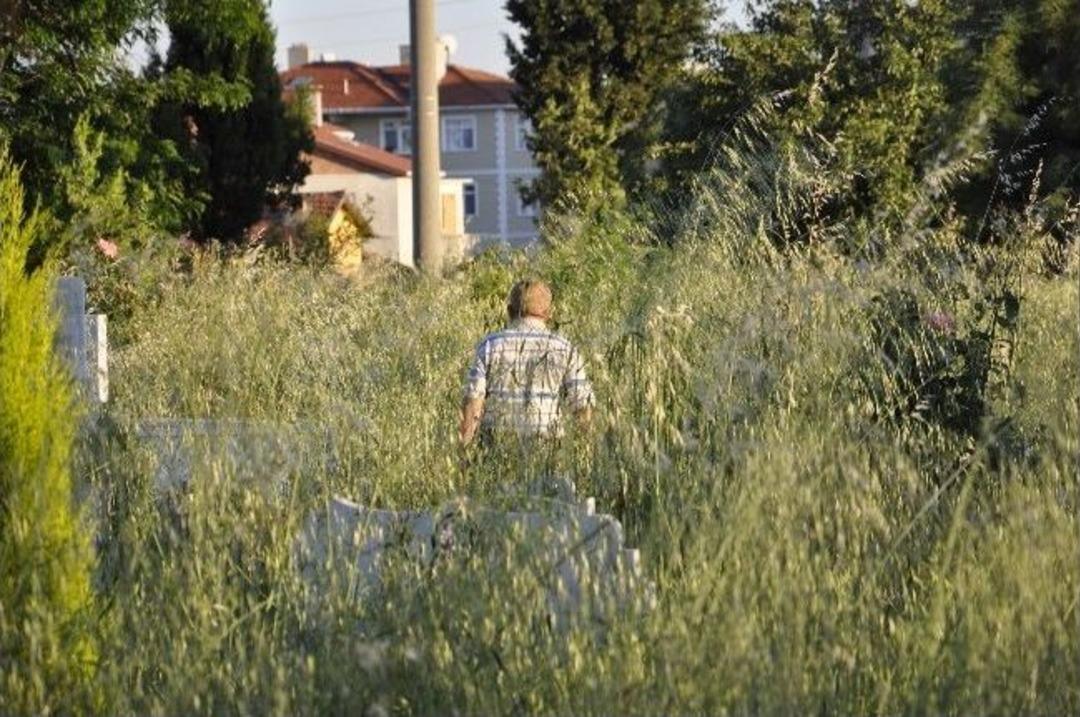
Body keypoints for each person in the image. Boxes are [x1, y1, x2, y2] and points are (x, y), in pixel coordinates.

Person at [459, 279, 594, 457]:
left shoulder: (489, 345)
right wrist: (588, 453)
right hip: (546, 449)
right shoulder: (564, 348)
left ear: (509, 311)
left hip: (496, 449)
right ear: (548, 313)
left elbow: (473, 402)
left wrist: (463, 454)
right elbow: (583, 405)